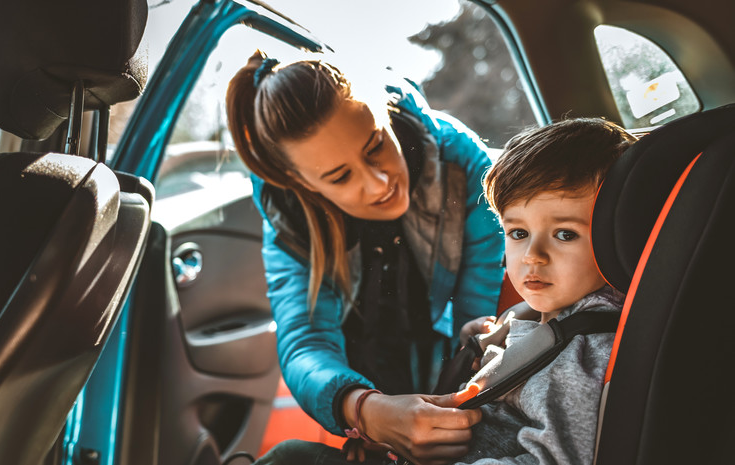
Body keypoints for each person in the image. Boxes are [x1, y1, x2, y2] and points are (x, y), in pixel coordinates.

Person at [225, 50, 504, 465]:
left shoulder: (462, 165)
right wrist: (365, 411)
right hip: (361, 363)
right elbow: (306, 342)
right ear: (302, 182)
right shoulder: (291, 219)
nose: (378, 184)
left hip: (439, 350)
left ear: (384, 112)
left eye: (376, 145)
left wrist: (450, 407)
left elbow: (479, 314)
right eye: (340, 176)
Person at [450, 117, 637, 465]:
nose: (532, 255)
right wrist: (491, 345)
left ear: (618, 238)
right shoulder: (542, 313)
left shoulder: (582, 356)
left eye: (565, 234)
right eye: (518, 233)